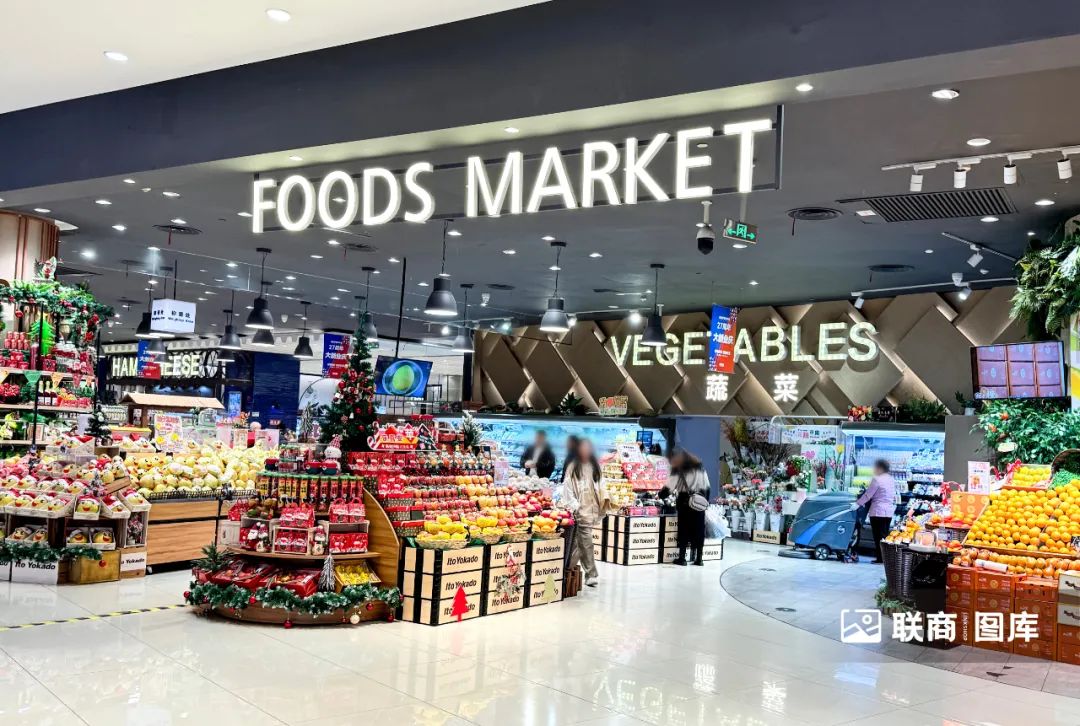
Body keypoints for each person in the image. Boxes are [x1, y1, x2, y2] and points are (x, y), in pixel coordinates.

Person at [563, 439, 610, 587]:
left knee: (579, 543)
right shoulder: (573, 467)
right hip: (581, 511)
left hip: (592, 510)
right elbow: (567, 489)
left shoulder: (595, 467)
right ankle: (591, 574)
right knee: (586, 542)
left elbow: (601, 486)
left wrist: (605, 502)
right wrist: (575, 506)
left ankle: (566, 569)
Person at [659, 449, 711, 565]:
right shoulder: (700, 467)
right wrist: (704, 502)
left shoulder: (678, 469)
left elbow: (669, 487)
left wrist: (660, 495)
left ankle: (682, 558)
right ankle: (699, 559)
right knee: (699, 530)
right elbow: (708, 486)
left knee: (684, 530)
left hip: (685, 503)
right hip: (700, 502)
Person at [852, 459, 896, 564]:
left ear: (880, 468)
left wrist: (857, 504)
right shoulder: (891, 479)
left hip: (878, 511)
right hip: (888, 511)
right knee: (885, 536)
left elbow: (868, 494)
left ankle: (880, 558)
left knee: (878, 536)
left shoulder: (877, 479)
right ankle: (885, 558)